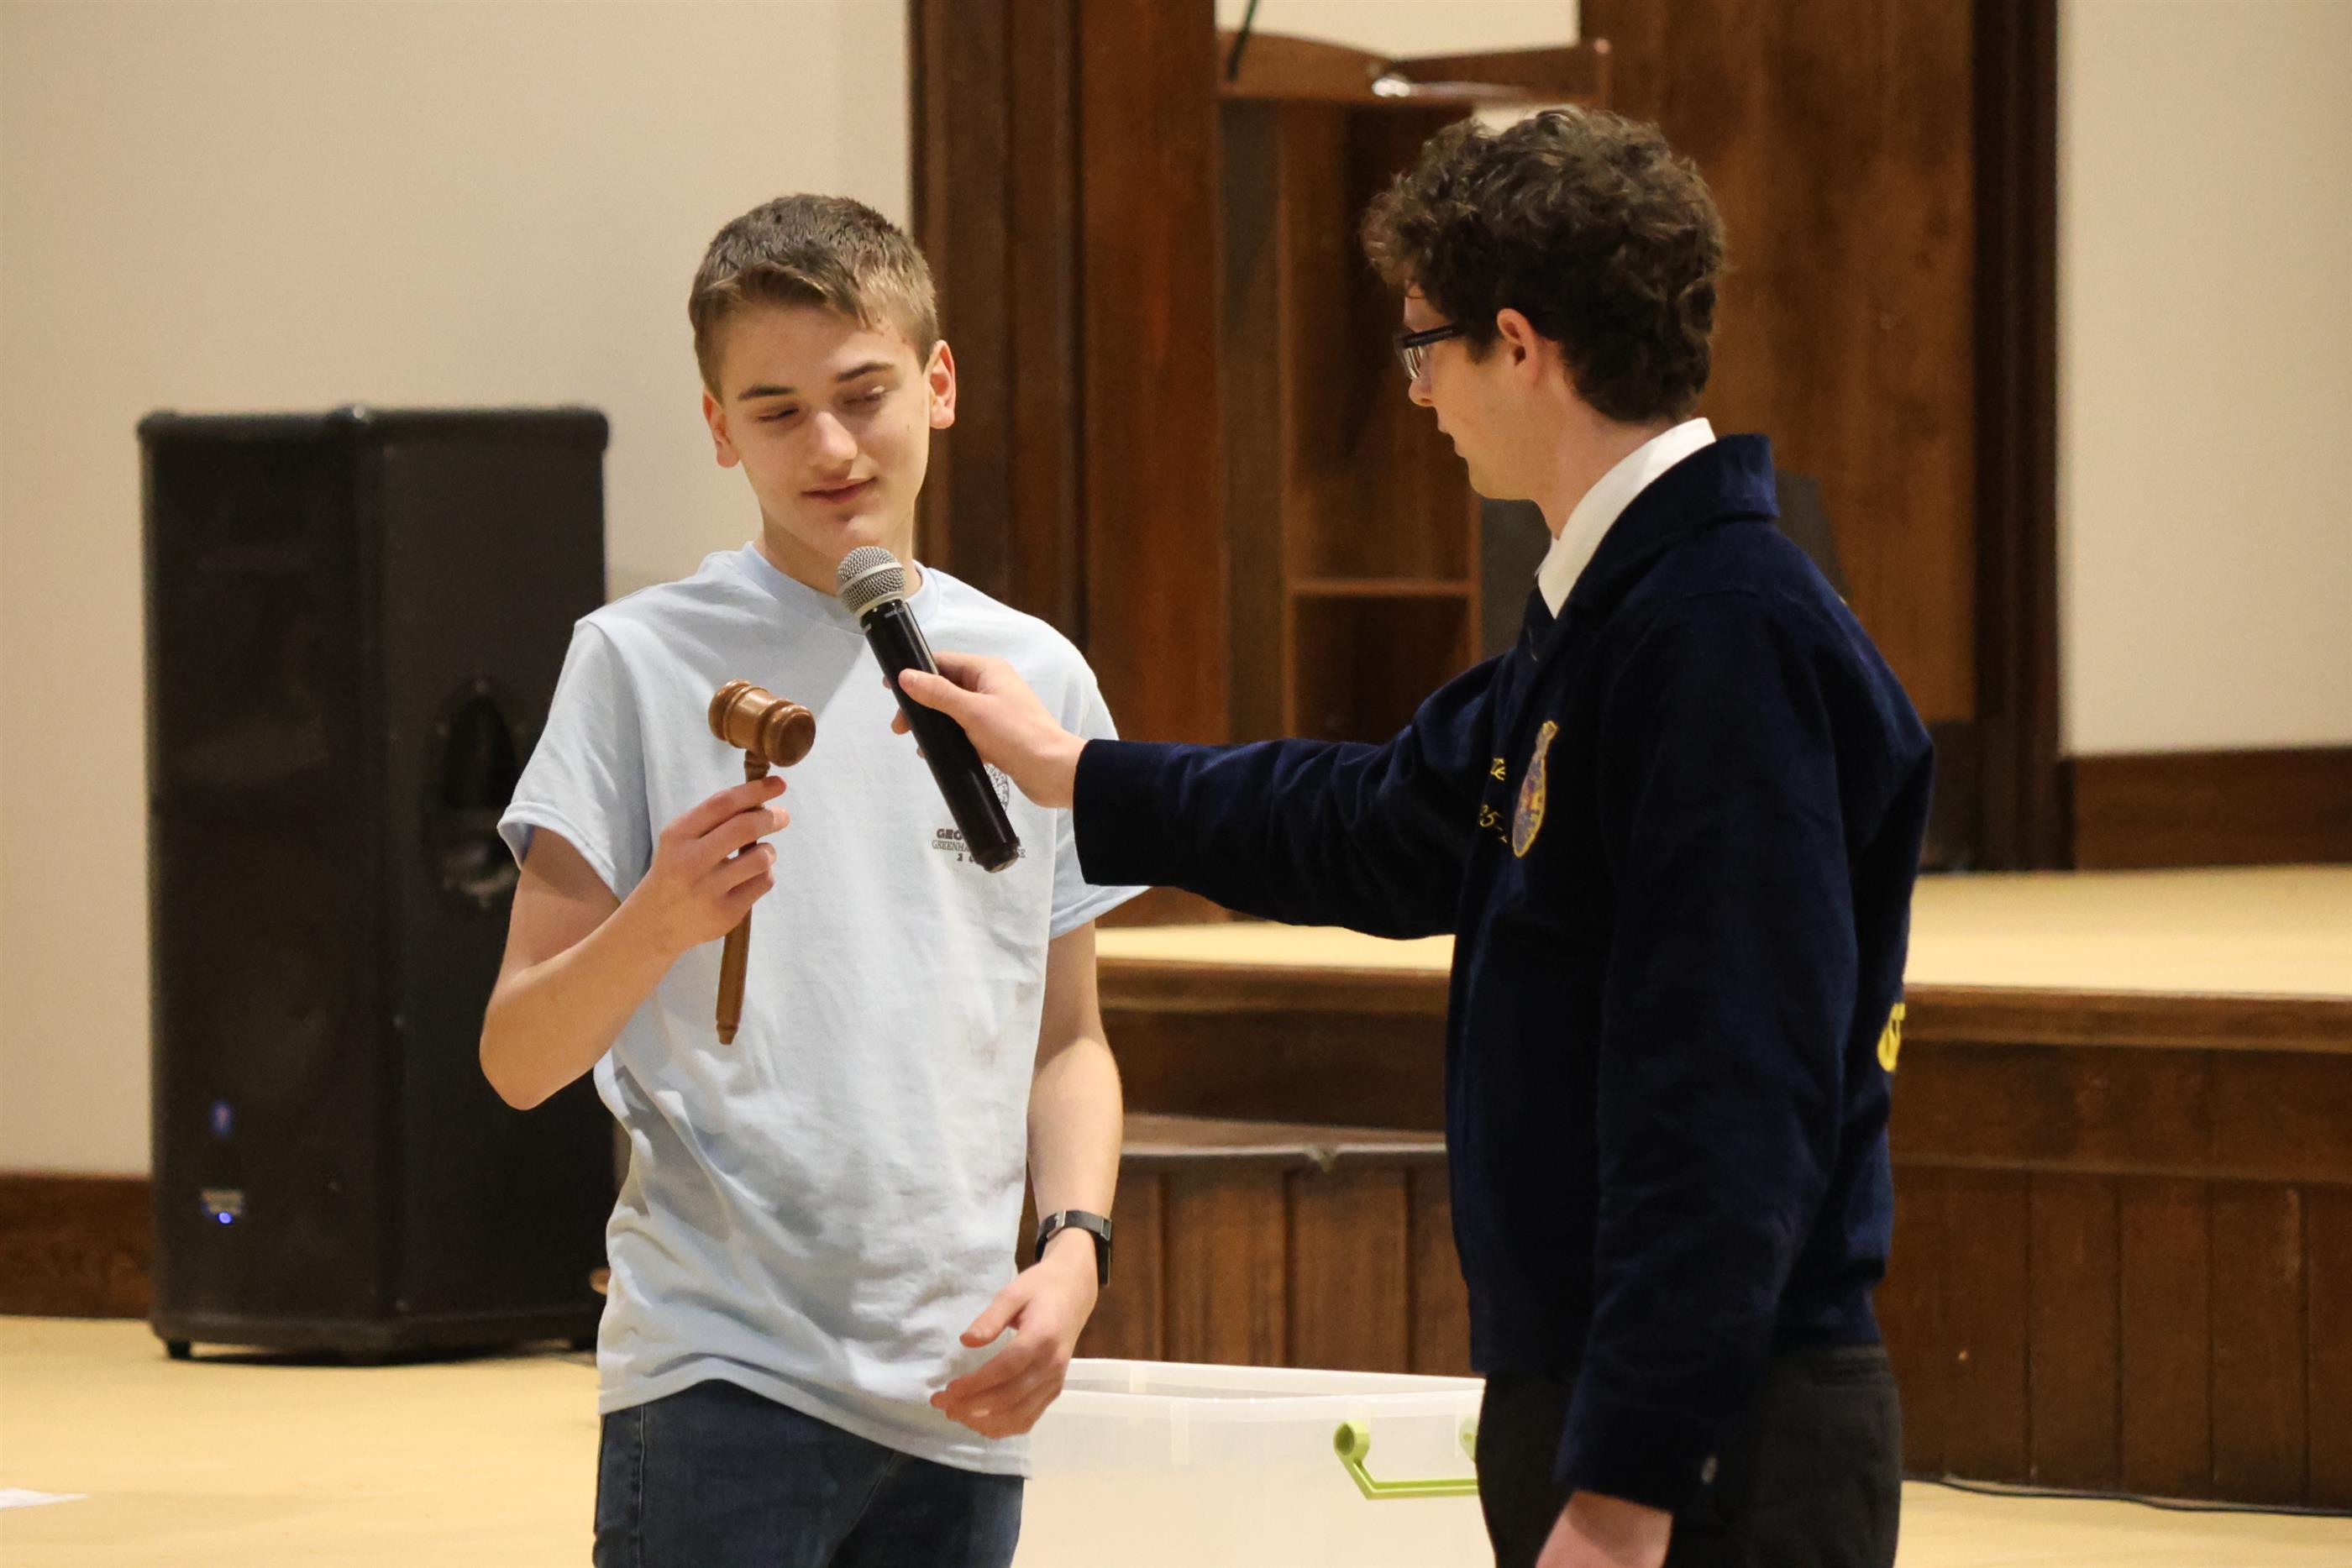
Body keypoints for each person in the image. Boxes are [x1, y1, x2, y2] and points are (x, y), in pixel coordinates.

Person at [894, 108, 1932, 1568]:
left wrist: (1630, 1480)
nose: (1420, 392)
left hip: (1715, 1437)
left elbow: (1731, 1094)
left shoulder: (1721, 637)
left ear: (1519, 344)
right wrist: (1080, 774)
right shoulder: (1616, 610)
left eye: (1422, 348)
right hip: (1607, 1395)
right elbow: (1377, 821)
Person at [479, 194, 1141, 1568]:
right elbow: (519, 1058)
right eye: (776, 412)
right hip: (717, 1376)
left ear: (939, 383)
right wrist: (658, 921)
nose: (829, 447)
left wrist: (1074, 1250)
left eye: (863, 394)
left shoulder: (1034, 675)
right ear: (719, 428)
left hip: (963, 1385)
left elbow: (1067, 1039)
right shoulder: (636, 661)